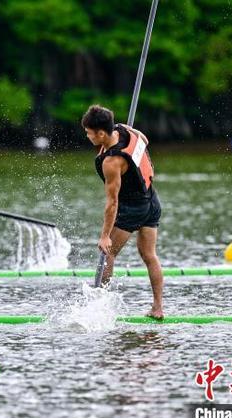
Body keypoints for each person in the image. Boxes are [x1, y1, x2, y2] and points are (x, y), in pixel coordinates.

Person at [81, 105, 163, 319]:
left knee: (108, 254)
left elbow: (112, 203)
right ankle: (158, 308)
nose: (87, 136)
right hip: (152, 201)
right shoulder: (126, 131)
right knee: (149, 255)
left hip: (132, 209)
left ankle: (99, 307)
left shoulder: (112, 162)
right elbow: (143, 139)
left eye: (89, 132)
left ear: (101, 133)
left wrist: (105, 235)